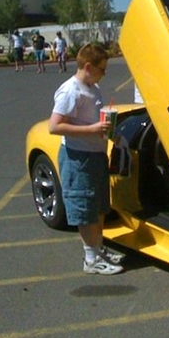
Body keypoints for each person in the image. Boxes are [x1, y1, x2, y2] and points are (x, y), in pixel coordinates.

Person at [48, 43, 124, 275]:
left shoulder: (93, 87)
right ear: (88, 67)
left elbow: (93, 120)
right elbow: (54, 126)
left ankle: (97, 248)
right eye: (102, 69)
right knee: (84, 205)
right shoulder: (71, 91)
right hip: (77, 157)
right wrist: (92, 129)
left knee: (98, 205)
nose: (104, 73)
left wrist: (108, 132)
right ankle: (90, 258)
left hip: (95, 154)